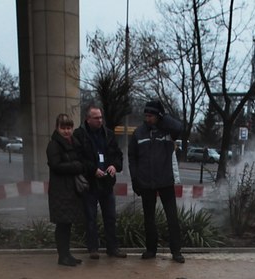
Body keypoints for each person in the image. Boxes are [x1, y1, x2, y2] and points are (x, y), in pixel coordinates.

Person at [128, 100, 186, 263]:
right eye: (146, 115)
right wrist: (134, 178)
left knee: (172, 218)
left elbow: (179, 128)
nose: (148, 119)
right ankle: (150, 249)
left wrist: (163, 118)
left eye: (151, 116)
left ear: (158, 116)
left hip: (165, 181)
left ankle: (176, 251)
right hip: (146, 182)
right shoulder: (139, 133)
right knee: (149, 218)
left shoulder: (168, 131)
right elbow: (132, 157)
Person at [75, 104, 127, 258]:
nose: (100, 120)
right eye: (96, 118)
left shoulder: (108, 134)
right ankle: (93, 249)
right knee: (90, 217)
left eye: (101, 117)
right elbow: (78, 158)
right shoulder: (80, 134)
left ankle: (113, 248)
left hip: (106, 182)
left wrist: (114, 166)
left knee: (110, 217)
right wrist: (92, 170)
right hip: (90, 183)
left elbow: (118, 154)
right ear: (88, 119)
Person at [45, 112, 87, 267]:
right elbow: (55, 166)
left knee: (67, 224)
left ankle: (67, 254)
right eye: (63, 128)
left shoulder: (74, 143)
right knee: (62, 225)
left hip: (71, 190)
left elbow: (81, 160)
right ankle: (62, 256)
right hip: (60, 190)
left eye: (69, 127)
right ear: (57, 128)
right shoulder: (53, 145)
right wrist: (76, 166)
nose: (67, 131)